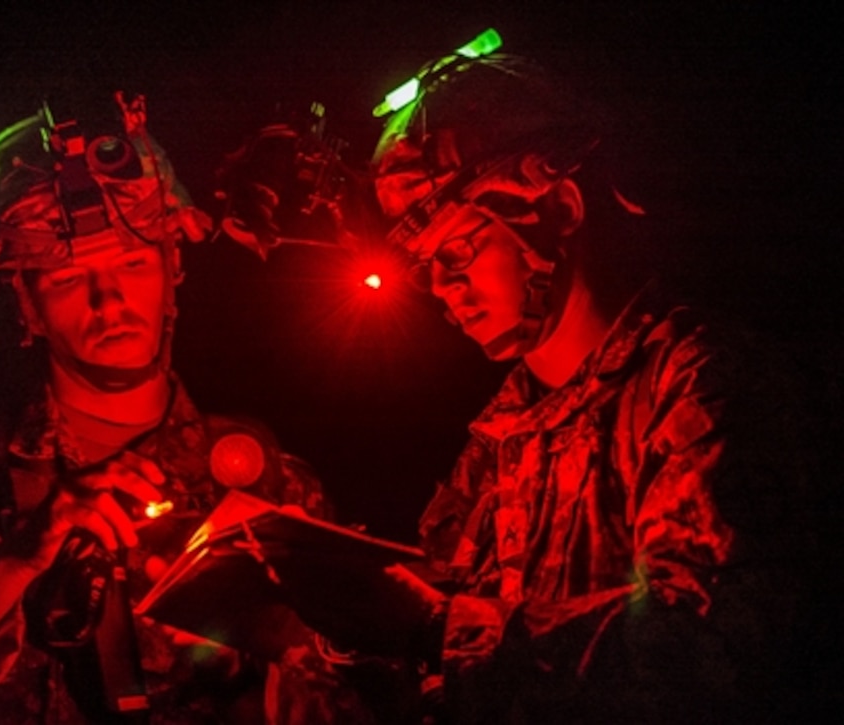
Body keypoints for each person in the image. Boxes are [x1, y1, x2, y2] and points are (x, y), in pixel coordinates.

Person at [0, 92, 369, 723]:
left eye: (133, 263)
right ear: (24, 302)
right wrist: (17, 558)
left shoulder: (271, 485)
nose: (109, 300)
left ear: (173, 270)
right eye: (66, 277)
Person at [280, 41, 823, 722]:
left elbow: (715, 638)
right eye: (426, 266)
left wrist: (438, 630)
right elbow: (438, 631)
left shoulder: (701, 383)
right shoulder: (500, 440)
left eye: (460, 249)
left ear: (560, 210)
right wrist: (352, 618)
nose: (445, 288)